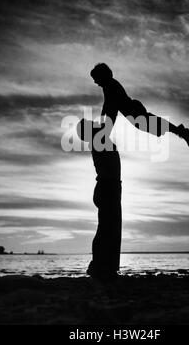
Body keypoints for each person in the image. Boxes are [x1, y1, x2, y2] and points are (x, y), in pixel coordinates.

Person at [90, 63, 189, 146]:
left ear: (102, 76)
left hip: (134, 110)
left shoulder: (110, 86)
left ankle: (180, 131)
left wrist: (104, 132)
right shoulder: (108, 86)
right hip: (133, 112)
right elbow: (108, 108)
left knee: (152, 123)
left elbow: (111, 111)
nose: (95, 82)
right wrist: (104, 129)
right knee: (152, 125)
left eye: (96, 78)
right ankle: (180, 130)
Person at [77, 119, 122, 282]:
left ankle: (105, 266)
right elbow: (110, 114)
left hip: (110, 187)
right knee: (107, 230)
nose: (94, 121)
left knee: (109, 229)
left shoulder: (99, 137)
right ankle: (99, 266)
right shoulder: (99, 138)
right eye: (90, 122)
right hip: (107, 187)